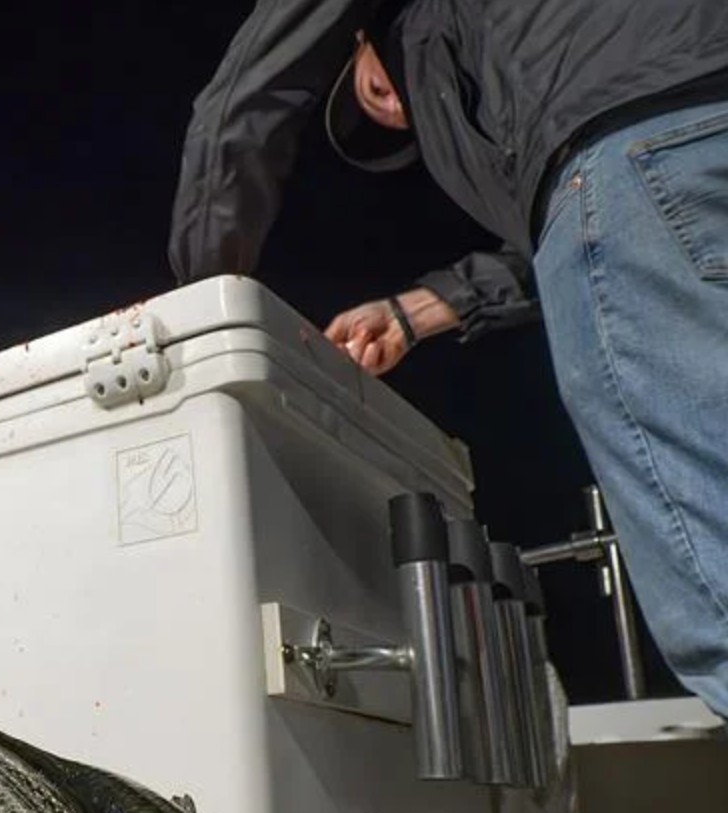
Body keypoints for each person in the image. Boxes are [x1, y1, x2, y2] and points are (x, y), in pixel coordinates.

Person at [169, 0, 728, 716]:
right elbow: (585, 227)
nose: (393, 110)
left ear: (366, 31)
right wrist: (415, 313)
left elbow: (252, 87)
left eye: (370, 87)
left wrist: (205, 311)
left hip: (634, 144)